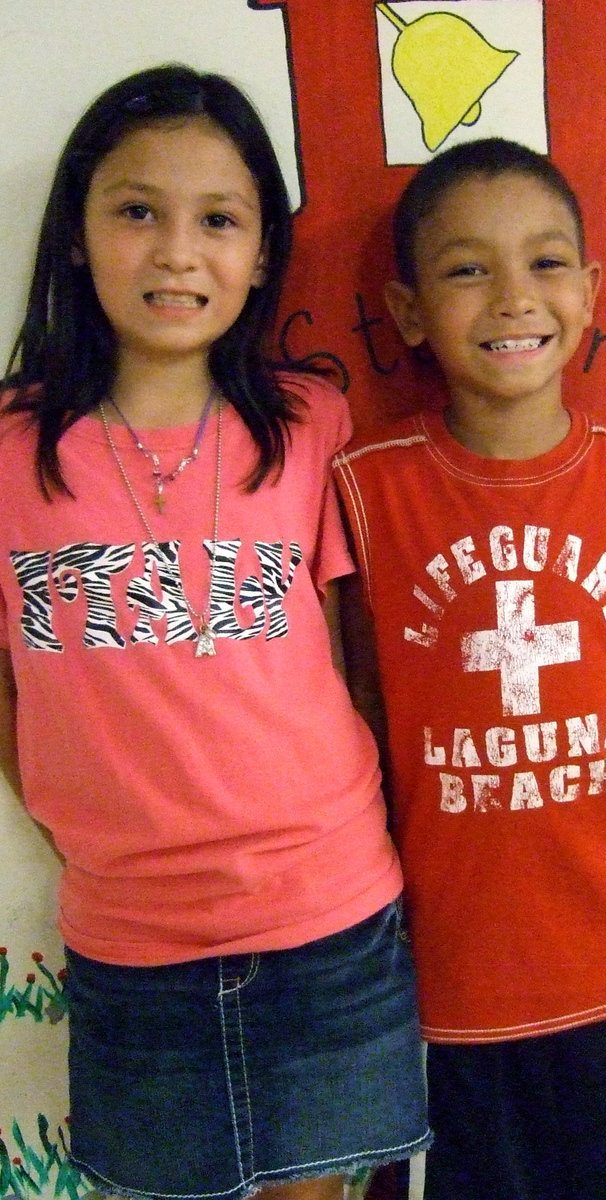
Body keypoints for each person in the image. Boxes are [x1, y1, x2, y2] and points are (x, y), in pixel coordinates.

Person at [0, 65, 431, 1200]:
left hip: (329, 919)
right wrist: (70, 810)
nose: (178, 251)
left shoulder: (306, 425)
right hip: (130, 943)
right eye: (136, 210)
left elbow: (349, 648)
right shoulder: (6, 452)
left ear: (260, 253)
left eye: (220, 220)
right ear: (79, 235)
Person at [334, 137, 606, 1200]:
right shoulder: (368, 493)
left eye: (546, 263)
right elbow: (361, 715)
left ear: (590, 292)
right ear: (411, 312)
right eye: (467, 269)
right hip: (447, 989)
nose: (513, 296)